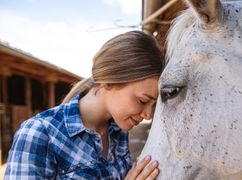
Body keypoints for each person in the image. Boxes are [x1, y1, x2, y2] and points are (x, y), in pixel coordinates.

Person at [4, 31, 164, 179]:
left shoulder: (118, 131)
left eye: (153, 104)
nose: (148, 115)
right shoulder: (38, 134)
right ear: (108, 82)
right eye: (142, 101)